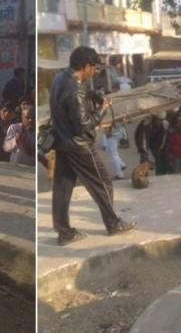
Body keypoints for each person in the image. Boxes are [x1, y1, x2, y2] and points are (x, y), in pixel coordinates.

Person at [49, 46, 134, 245]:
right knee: (103, 181)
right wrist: (103, 109)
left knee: (62, 187)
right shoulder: (75, 90)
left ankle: (64, 233)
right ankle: (113, 223)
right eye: (93, 68)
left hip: (61, 141)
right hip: (79, 145)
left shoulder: (60, 78)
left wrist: (93, 95)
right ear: (86, 66)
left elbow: (76, 98)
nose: (94, 72)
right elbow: (84, 125)